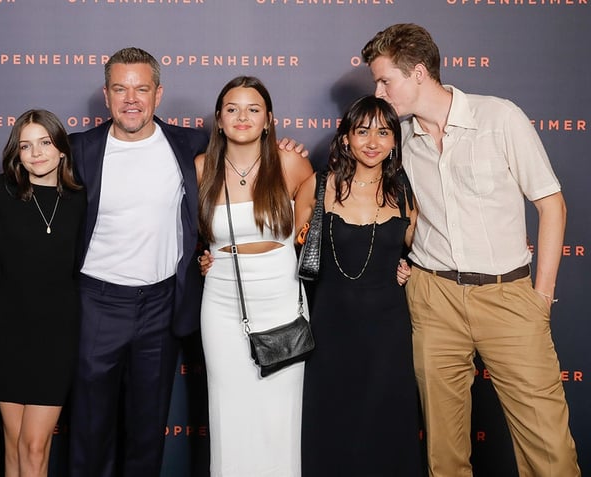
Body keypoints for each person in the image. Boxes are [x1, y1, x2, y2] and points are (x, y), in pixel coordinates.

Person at [362, 23, 580, 476]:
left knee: (550, 451)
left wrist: (540, 296)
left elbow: (551, 204)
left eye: (386, 80)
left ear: (418, 72)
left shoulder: (499, 117)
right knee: (445, 453)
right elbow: (377, 205)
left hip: (509, 297)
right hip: (433, 299)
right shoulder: (396, 138)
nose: (378, 91)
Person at [67, 46, 209, 477]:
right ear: (106, 95)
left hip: (161, 306)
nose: (131, 99)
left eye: (141, 88)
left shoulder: (191, 145)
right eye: (120, 88)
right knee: (91, 429)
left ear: (158, 94)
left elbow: (251, 159)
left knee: (148, 430)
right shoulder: (78, 150)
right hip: (97, 302)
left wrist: (288, 149)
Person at [296, 95, 422, 476]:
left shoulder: (405, 194)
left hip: (388, 331)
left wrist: (410, 268)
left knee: (386, 425)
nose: (372, 141)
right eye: (362, 130)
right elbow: (282, 245)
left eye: (383, 132)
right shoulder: (317, 187)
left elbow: (424, 254)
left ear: (394, 140)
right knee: (331, 424)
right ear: (346, 137)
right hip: (330, 328)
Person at [195, 76, 313, 476]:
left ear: (269, 120)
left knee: (280, 416)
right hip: (222, 302)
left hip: (280, 299)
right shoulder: (201, 168)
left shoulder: (293, 164)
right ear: (218, 119)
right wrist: (201, 259)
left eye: (253, 109)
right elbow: (185, 237)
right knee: (228, 412)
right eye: (232, 109)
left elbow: (315, 234)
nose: (242, 117)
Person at [0, 109, 85, 477]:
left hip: (57, 333)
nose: (36, 153)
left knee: (34, 445)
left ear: (62, 148)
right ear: (17, 153)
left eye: (45, 142)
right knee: (13, 445)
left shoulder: (81, 199)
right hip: (8, 330)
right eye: (26, 146)